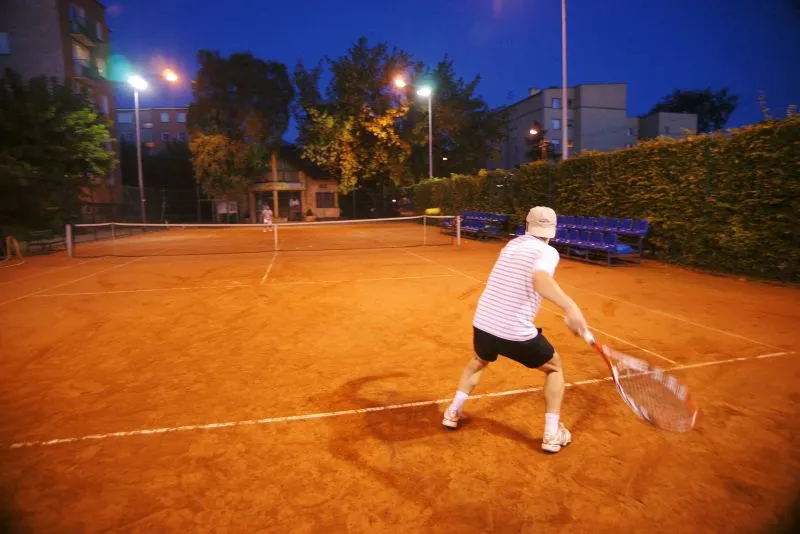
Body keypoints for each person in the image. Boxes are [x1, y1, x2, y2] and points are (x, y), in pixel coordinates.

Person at [442, 206, 589, 453]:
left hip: (484, 324)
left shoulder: (511, 245)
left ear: (527, 226)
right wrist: (571, 307)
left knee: (478, 360)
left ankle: (452, 412)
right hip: (514, 331)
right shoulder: (547, 251)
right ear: (552, 230)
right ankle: (552, 434)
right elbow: (540, 280)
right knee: (554, 368)